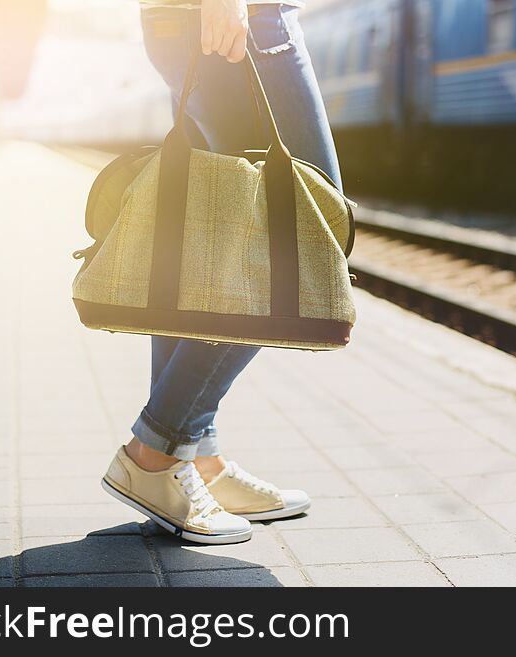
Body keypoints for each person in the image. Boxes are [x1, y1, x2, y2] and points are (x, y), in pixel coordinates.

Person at [101, 0, 341, 544]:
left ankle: (194, 456)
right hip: (239, 19)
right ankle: (155, 454)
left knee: (207, 241)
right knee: (303, 228)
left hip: (212, 19)